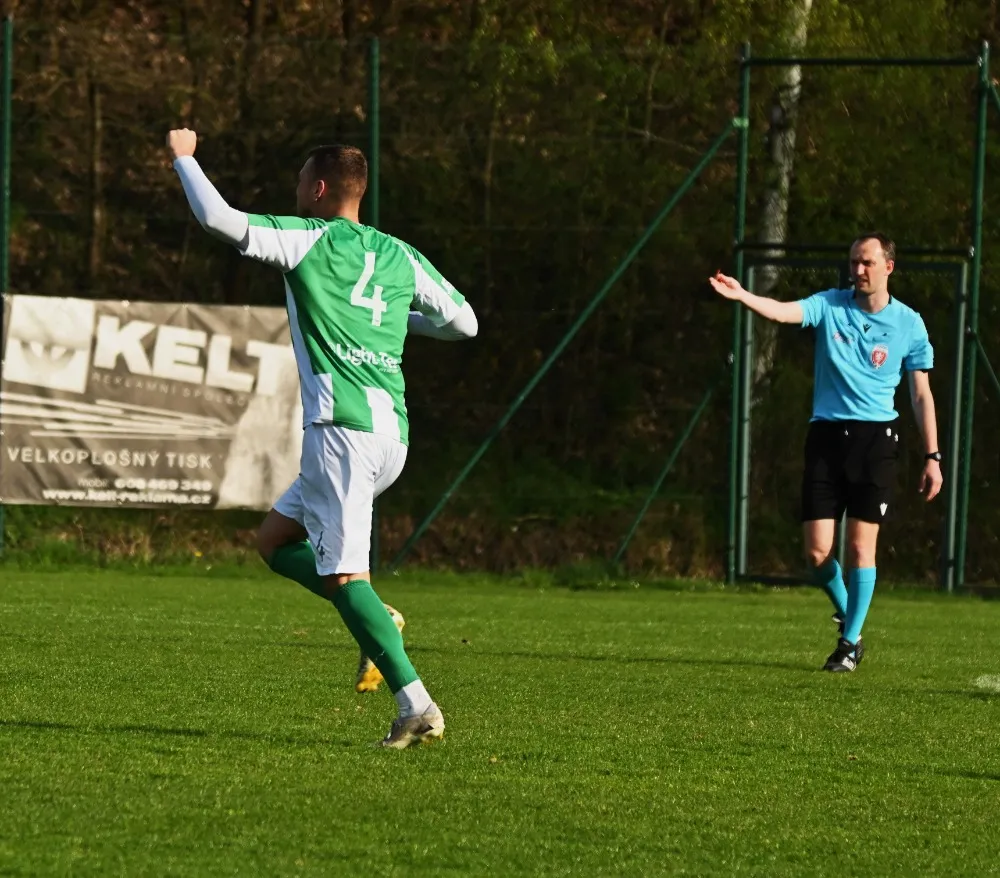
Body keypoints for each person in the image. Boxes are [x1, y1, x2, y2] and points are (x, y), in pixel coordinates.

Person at [167, 128, 478, 744]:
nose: (297, 189)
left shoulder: (309, 238)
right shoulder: (399, 253)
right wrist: (396, 323)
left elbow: (221, 221)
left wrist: (184, 159)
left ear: (319, 188)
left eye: (300, 181)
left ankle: (416, 704)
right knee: (275, 540)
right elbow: (464, 323)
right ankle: (374, 616)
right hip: (392, 435)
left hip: (342, 434)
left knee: (343, 578)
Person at [709, 232, 943, 672]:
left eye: (867, 262)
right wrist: (744, 296)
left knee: (859, 547)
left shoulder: (910, 324)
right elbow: (784, 312)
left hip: (875, 442)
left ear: (889, 266)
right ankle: (851, 614)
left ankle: (849, 644)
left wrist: (933, 457)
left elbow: (921, 395)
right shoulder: (830, 305)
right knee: (817, 553)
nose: (858, 270)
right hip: (826, 438)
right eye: (854, 262)